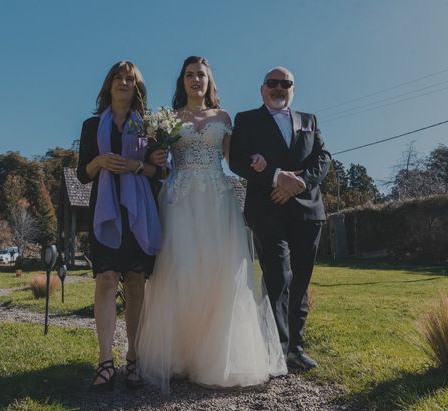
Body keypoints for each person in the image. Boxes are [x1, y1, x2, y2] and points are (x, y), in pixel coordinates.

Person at [136, 56, 287, 392]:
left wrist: (258, 161)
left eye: (201, 75)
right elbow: (158, 160)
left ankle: (215, 356)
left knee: (221, 272)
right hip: (181, 201)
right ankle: (180, 355)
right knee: (182, 270)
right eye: (189, 75)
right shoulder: (170, 119)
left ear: (209, 81)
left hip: (218, 201)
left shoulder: (223, 117)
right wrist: (155, 157)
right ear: (182, 81)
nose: (195, 80)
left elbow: (233, 161)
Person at [229, 66, 331, 370]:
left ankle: (295, 349)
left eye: (285, 83)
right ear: (262, 89)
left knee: (300, 280)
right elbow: (237, 160)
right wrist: (277, 178)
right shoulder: (246, 120)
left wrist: (301, 183)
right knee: (278, 277)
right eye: (272, 83)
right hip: (267, 210)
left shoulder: (309, 121)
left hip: (308, 210)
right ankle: (275, 351)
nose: (278, 88)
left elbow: (323, 158)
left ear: (293, 89)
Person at [76, 61, 164, 391]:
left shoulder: (151, 127)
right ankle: (104, 361)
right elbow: (82, 173)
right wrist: (99, 161)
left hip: (140, 212)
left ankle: (135, 359)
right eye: (118, 77)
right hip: (105, 212)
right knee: (107, 280)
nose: (123, 82)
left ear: (137, 88)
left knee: (137, 282)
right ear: (109, 84)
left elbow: (160, 173)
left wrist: (136, 166)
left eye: (130, 79)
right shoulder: (90, 126)